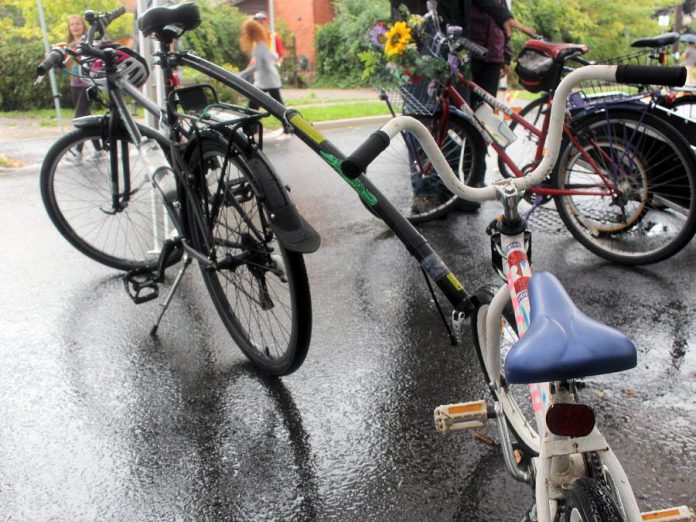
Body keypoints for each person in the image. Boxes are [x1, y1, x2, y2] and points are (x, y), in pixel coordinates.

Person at [391, 0, 534, 215]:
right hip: (450, 50)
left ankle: (470, 185)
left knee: (478, 123)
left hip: (485, 55)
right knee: (445, 122)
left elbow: (502, 14)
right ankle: (438, 191)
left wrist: (505, 51)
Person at [238, 19, 291, 138]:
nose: (244, 35)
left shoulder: (259, 46)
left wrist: (244, 73)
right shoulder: (261, 44)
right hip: (267, 80)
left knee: (259, 106)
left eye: (245, 32)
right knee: (262, 106)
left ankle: (251, 130)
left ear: (250, 32)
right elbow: (273, 56)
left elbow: (260, 65)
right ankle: (252, 130)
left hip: (267, 81)